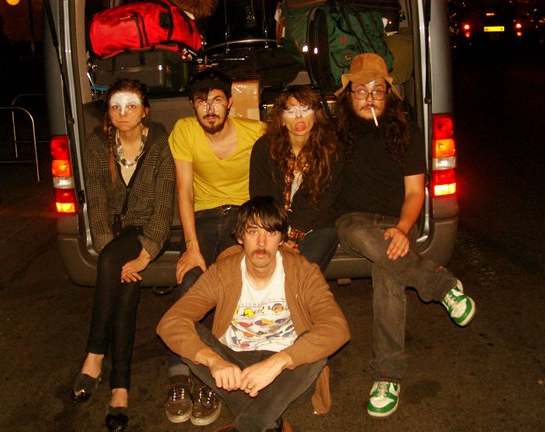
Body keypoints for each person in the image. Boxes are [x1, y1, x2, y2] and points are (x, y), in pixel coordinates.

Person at [333, 53, 477, 418]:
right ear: (349, 95)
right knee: (363, 235)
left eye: (377, 90)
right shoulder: (335, 134)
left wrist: (400, 227)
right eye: (360, 90)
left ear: (389, 94)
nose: (369, 98)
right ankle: (441, 286)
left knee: (388, 273)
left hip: (397, 220)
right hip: (353, 221)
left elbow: (414, 193)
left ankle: (387, 376)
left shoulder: (406, 133)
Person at [156, 196, 350, 432]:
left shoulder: (303, 272)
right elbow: (171, 322)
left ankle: (249, 424)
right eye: (253, 232)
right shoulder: (223, 273)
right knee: (192, 335)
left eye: (270, 232)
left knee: (314, 344)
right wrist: (214, 361)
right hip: (235, 369)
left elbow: (337, 328)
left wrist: (277, 363)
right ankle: (268, 419)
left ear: (282, 238)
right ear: (240, 237)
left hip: (287, 375)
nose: (261, 242)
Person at [71, 79, 176, 432]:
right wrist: (107, 247)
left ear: (145, 111)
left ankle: (94, 355)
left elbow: (164, 203)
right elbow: (97, 202)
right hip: (113, 235)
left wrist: (146, 254)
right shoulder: (97, 145)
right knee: (123, 284)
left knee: (116, 265)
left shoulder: (160, 144)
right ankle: (120, 385)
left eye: (131, 106)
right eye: (115, 106)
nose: (122, 113)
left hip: (144, 231)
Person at [165, 69, 267, 426]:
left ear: (230, 103)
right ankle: (179, 375)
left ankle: (216, 379)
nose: (209, 108)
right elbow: (185, 191)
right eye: (201, 101)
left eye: (217, 100)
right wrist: (191, 246)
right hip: (204, 218)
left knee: (231, 284)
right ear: (192, 105)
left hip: (242, 217)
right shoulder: (184, 131)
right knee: (189, 281)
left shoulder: (257, 132)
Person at [249, 86, 342, 272]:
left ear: (315, 114)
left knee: (299, 271)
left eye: (305, 109)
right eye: (291, 111)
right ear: (281, 118)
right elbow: (261, 197)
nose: (299, 117)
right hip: (273, 224)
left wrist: (291, 236)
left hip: (317, 224)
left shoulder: (331, 148)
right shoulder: (264, 147)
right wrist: (279, 234)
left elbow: (325, 200)